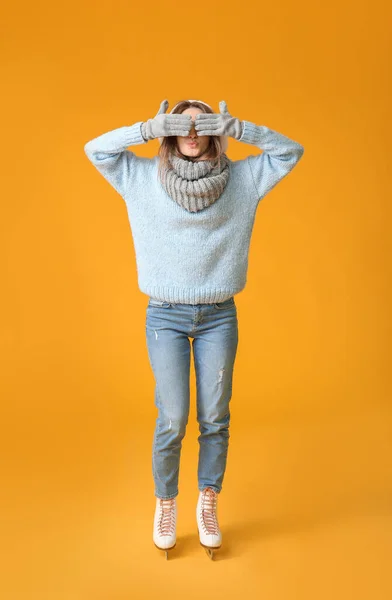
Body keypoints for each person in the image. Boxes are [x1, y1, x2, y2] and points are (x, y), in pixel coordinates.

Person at [84, 99, 305, 559]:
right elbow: (96, 150)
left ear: (212, 130)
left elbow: (290, 152)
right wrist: (145, 127)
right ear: (169, 130)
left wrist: (238, 127)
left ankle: (208, 501)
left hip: (218, 315)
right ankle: (166, 503)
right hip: (164, 313)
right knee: (171, 419)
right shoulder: (142, 178)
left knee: (215, 417)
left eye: (200, 123)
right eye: (180, 124)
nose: (190, 132)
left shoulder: (243, 180)